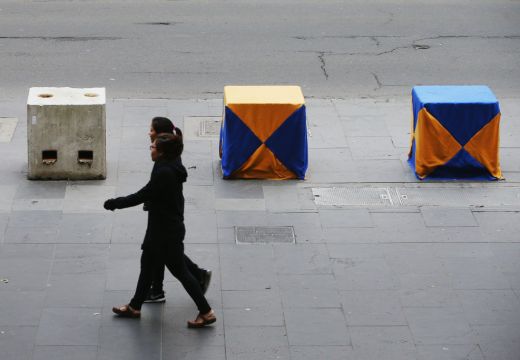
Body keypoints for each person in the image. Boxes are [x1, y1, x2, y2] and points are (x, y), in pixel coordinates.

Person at [104, 132, 216, 328]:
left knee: (180, 271)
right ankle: (135, 306)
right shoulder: (169, 163)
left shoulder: (164, 171)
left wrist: (115, 203)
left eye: (153, 147)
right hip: (162, 228)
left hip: (165, 232)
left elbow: (143, 194)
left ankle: (206, 311)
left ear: (162, 152)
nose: (150, 149)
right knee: (147, 266)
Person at [144, 117, 211, 303]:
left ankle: (199, 289)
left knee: (168, 256)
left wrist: (119, 202)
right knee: (163, 252)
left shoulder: (164, 158)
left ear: (160, 135)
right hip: (166, 212)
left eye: (151, 129)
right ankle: (157, 289)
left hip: (166, 216)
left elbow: (155, 186)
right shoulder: (168, 152)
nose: (149, 133)